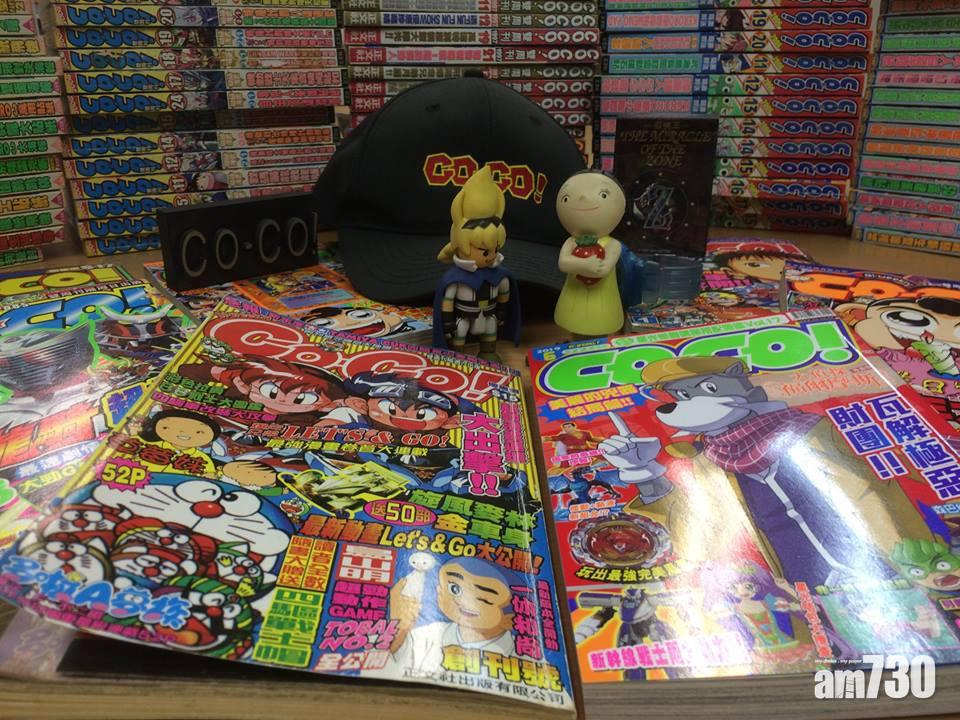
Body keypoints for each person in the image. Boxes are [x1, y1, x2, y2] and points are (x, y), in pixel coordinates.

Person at [387, 557, 518, 675]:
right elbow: (397, 660)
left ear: (510, 617)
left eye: (484, 599)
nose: (462, 601)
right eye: (454, 588)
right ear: (439, 590)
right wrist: (400, 622)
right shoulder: (433, 631)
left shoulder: (520, 654)